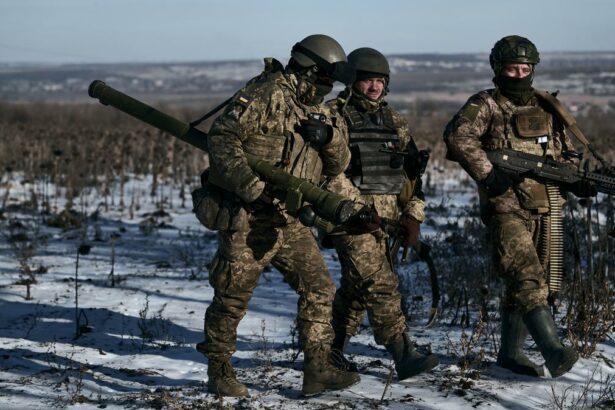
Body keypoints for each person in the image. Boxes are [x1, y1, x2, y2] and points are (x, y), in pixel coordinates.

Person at [194, 34, 360, 396]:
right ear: (310, 70)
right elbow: (222, 137)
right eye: (326, 78)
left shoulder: (319, 109)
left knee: (319, 288)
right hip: (249, 217)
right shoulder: (266, 94)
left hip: (289, 219)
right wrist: (252, 187)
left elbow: (339, 164)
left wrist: (329, 138)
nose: (329, 87)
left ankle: (317, 368)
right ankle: (219, 369)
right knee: (232, 296)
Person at [443, 35, 594, 378]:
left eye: (525, 69)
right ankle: (553, 351)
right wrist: (488, 174)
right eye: (512, 69)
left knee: (533, 284)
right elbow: (457, 137)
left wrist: (576, 180)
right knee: (526, 278)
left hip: (547, 205)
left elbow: (563, 153)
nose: (520, 75)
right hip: (506, 206)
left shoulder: (547, 106)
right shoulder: (487, 104)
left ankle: (510, 355)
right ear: (498, 69)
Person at [323, 47, 438, 381]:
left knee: (356, 290)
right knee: (380, 283)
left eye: (379, 80)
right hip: (349, 219)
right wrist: (358, 209)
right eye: (367, 80)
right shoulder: (332, 116)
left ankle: (329, 350)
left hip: (387, 223)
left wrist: (413, 216)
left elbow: (412, 177)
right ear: (351, 81)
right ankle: (403, 353)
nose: (374, 87)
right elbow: (328, 173)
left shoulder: (394, 120)